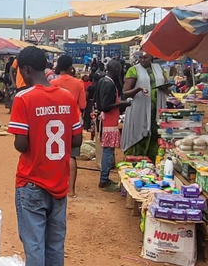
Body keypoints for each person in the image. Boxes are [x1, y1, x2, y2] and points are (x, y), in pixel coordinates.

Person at [8, 47, 82, 266]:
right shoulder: (67, 97)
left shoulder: (23, 98)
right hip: (59, 182)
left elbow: (21, 145)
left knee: (34, 247)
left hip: (32, 181)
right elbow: (76, 141)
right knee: (55, 245)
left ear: (26, 69)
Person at [49, 55, 86, 198]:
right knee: (71, 155)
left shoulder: (53, 82)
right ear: (71, 67)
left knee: (54, 153)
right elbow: (82, 105)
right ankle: (71, 190)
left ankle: (55, 187)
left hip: (55, 121)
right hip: (74, 120)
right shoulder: (78, 83)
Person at [121, 52, 167, 159]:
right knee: (139, 136)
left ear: (152, 57)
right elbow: (125, 92)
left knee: (155, 136)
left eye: (145, 57)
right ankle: (136, 161)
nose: (142, 60)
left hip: (156, 111)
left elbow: (165, 84)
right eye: (140, 57)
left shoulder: (158, 68)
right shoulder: (133, 70)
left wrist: (166, 88)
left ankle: (153, 162)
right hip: (139, 110)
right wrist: (138, 89)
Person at [95, 60, 132, 191]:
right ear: (116, 70)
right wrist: (122, 104)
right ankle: (104, 180)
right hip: (109, 121)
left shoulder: (103, 81)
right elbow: (106, 106)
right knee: (108, 151)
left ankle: (105, 178)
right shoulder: (109, 84)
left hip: (107, 120)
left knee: (108, 150)